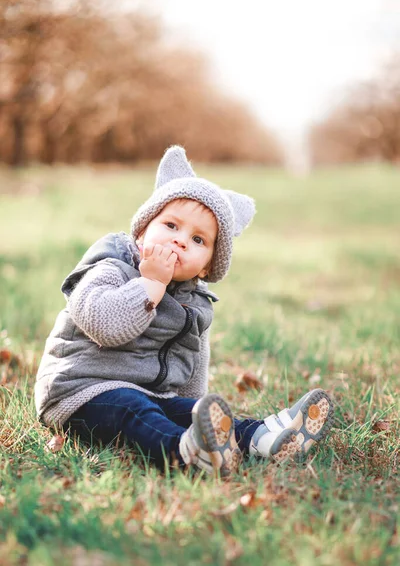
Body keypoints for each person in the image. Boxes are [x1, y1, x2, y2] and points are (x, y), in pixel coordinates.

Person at [35, 146, 334, 476]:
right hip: (79, 395)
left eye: (198, 240)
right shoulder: (112, 268)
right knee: (133, 411)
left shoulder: (195, 304)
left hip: (152, 394)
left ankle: (260, 438)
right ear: (143, 230)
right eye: (171, 226)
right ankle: (187, 453)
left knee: (177, 410)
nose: (180, 241)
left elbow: (193, 364)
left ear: (206, 268)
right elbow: (102, 324)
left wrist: (195, 409)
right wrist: (150, 285)